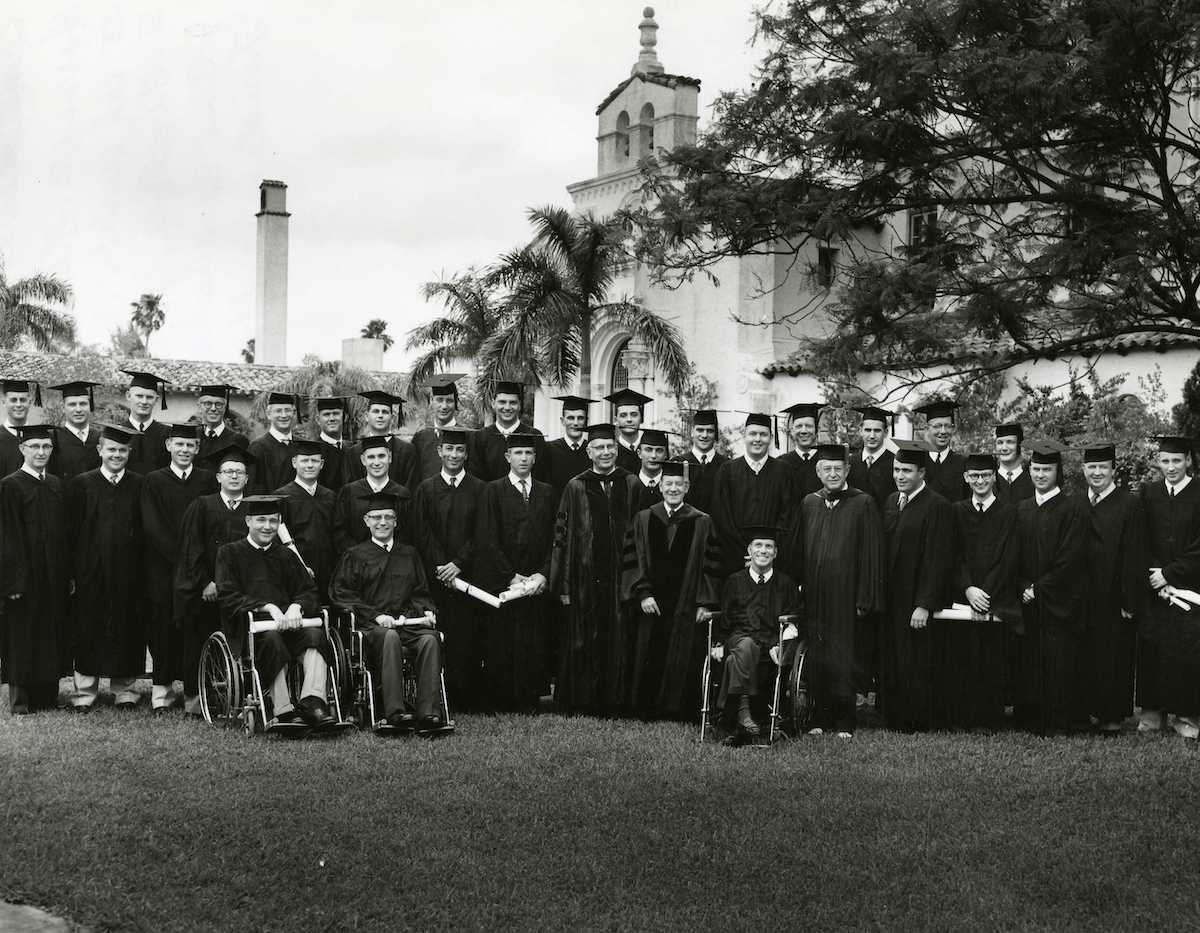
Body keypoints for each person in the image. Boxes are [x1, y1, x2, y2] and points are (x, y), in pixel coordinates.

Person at [215, 495, 336, 729]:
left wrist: (296, 606)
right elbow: (228, 595)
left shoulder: (286, 555)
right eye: (261, 520)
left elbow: (309, 591)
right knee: (272, 640)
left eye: (273, 521)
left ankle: (312, 702)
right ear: (248, 521)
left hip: (290, 626)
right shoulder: (230, 553)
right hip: (252, 629)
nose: (267, 526)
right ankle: (283, 710)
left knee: (316, 637)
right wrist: (267, 607)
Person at [331, 491, 444, 730]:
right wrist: (375, 616)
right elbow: (342, 594)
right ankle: (394, 711)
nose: (382, 522)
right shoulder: (355, 555)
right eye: (376, 517)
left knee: (430, 639)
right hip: (372, 628)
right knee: (389, 637)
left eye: (388, 517)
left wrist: (426, 611)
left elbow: (420, 592)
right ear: (366, 521)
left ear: (396, 521)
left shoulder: (410, 554)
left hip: (406, 624)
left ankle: (428, 713)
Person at [620, 460, 721, 720]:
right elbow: (633, 559)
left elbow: (711, 566)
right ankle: (646, 708)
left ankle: (679, 710)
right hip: (651, 603)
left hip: (687, 605)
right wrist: (643, 593)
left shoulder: (702, 521)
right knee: (647, 651)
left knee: (684, 652)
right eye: (669, 484)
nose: (673, 488)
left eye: (679, 484)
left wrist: (704, 602)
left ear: (686, 487)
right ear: (661, 487)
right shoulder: (644, 518)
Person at [799, 443, 883, 738]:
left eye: (838, 468)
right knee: (818, 653)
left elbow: (872, 555)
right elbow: (799, 549)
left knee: (844, 654)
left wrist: (865, 597)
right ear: (818, 471)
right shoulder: (810, 502)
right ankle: (817, 717)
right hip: (816, 593)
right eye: (827, 469)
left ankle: (845, 719)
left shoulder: (863, 503)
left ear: (848, 470)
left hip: (847, 596)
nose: (833, 473)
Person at [552, 423, 635, 715]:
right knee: (583, 638)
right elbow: (561, 538)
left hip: (620, 580)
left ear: (617, 450)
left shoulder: (631, 483)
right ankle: (583, 701)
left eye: (610, 447)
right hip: (584, 579)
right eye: (599, 447)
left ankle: (616, 702)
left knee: (619, 638)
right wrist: (562, 587)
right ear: (589, 452)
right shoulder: (575, 486)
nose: (605, 452)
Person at [474, 434, 556, 711]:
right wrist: (510, 576)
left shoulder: (547, 492)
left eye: (528, 453)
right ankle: (503, 697)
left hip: (536, 581)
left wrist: (543, 574)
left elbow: (556, 538)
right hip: (504, 581)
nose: (523, 458)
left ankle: (530, 697)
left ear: (535, 457)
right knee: (503, 639)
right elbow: (487, 538)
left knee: (533, 640)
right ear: (507, 457)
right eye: (517, 453)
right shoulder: (492, 491)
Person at [67, 424, 145, 712]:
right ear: (99, 450)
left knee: (128, 627)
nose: (117, 454)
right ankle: (84, 692)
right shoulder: (81, 484)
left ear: (129, 452)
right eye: (111, 449)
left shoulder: (139, 483)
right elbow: (70, 531)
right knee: (88, 627)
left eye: (122, 450)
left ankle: (124, 690)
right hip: (90, 571)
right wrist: (73, 573)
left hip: (128, 572)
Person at [174, 444, 255, 716]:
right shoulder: (202, 505)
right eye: (228, 471)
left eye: (239, 472)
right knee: (198, 639)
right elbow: (191, 550)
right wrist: (205, 582)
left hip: (245, 592)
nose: (234, 476)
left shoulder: (254, 509)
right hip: (208, 591)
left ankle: (243, 696)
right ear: (218, 477)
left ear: (246, 478)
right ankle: (197, 700)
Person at [1013, 440, 1088, 734]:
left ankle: (1058, 722)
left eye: (1047, 469)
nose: (1040, 475)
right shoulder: (1022, 509)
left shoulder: (1073, 509)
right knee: (1029, 661)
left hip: (1059, 602)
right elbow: (1013, 555)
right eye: (1036, 469)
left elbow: (1070, 558)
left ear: (1058, 472)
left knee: (1058, 663)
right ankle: (1029, 719)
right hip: (1027, 599)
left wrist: (1038, 589)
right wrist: (1022, 585)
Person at [880, 439, 954, 732]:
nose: (899, 475)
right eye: (896, 469)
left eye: (907, 471)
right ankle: (895, 717)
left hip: (917, 598)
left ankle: (918, 719)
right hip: (892, 597)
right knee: (895, 657)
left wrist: (924, 603)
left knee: (917, 659)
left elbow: (939, 559)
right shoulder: (891, 501)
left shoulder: (937, 506)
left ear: (922, 473)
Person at [140, 423, 215, 713]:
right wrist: (184, 559)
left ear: (197, 449)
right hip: (163, 569)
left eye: (190, 445)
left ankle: (195, 694)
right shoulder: (154, 480)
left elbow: (209, 526)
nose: (184, 450)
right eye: (179, 445)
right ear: (168, 446)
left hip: (198, 571)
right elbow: (152, 526)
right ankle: (161, 692)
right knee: (162, 628)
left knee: (194, 630)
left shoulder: (207, 480)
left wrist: (196, 566)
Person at [942, 452, 1019, 731]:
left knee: (991, 659)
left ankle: (988, 719)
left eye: (986, 475)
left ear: (994, 477)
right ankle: (962, 717)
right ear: (966, 478)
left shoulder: (1009, 511)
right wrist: (969, 589)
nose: (980, 481)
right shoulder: (956, 511)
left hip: (995, 599)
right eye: (974, 476)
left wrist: (986, 593)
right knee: (962, 657)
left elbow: (1009, 558)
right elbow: (952, 555)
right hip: (964, 599)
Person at [411, 427, 486, 710]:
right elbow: (422, 533)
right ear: (439, 451)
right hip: (436, 580)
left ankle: (467, 697)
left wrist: (458, 564)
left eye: (459, 450)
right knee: (439, 636)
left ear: (466, 454)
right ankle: (438, 697)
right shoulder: (426, 488)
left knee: (469, 638)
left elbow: (482, 533)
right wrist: (442, 566)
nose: (454, 455)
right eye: (449, 449)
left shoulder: (480, 489)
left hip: (469, 579)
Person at [0, 425, 70, 714]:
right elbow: (6, 537)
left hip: (52, 576)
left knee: (49, 632)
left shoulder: (55, 484)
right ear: (22, 449)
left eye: (46, 447)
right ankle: (20, 700)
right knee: (22, 635)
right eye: (35, 447)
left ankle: (47, 696)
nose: (41, 452)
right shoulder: (10, 485)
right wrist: (12, 582)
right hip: (24, 578)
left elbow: (64, 534)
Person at [1079, 442, 1147, 734]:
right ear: (1083, 470)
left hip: (1114, 596)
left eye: (1102, 468)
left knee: (1113, 655)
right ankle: (1085, 710)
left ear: (1113, 470)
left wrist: (1129, 600)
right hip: (1081, 596)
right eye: (1092, 467)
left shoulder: (1129, 504)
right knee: (1085, 653)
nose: (1097, 473)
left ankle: (1111, 716)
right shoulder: (1076, 503)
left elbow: (1135, 555)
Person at [711, 526, 801, 744]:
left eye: (769, 546)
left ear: (776, 553)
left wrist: (781, 644)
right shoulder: (734, 581)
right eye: (758, 546)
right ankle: (743, 713)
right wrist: (718, 643)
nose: (763, 551)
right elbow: (725, 618)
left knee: (735, 660)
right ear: (749, 551)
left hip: (770, 644)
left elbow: (793, 621)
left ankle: (731, 718)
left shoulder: (786, 584)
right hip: (738, 638)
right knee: (746, 647)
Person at [1138, 436, 1200, 738]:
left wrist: (1171, 574)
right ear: (1158, 462)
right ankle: (1152, 713)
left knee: (1186, 652)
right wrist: (1155, 577)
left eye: (1177, 460)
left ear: (1188, 460)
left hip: (1190, 590)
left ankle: (1186, 716)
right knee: (1153, 649)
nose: (1171, 467)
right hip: (1155, 589)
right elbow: (1141, 539)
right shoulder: (1149, 494)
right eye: (1165, 461)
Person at [709, 413, 798, 577]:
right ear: (744, 435)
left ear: (771, 438)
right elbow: (722, 517)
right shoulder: (727, 471)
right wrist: (747, 552)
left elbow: (788, 516)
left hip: (773, 562)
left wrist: (766, 552)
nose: (758, 439)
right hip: (735, 561)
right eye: (753, 434)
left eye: (763, 434)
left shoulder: (784, 471)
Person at [273, 439, 337, 603]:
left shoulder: (330, 496)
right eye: (305, 460)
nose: (310, 465)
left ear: (321, 464)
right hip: (295, 571)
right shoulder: (281, 496)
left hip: (329, 572)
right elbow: (277, 540)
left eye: (314, 461)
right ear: (294, 462)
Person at [334, 435, 412, 553]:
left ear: (390, 457)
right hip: (357, 563)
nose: (376, 462)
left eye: (381, 456)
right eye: (371, 457)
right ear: (363, 460)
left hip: (395, 562)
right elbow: (339, 531)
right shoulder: (349, 492)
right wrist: (358, 554)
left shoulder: (402, 494)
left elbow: (407, 533)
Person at [345, 390, 420, 491]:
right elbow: (350, 491)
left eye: (384, 412)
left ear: (392, 418)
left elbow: (411, 488)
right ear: (367, 416)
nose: (380, 415)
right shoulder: (354, 452)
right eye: (376, 411)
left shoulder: (407, 451)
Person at [472, 381, 543, 482]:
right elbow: (476, 478)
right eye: (502, 402)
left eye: (513, 402)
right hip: (488, 496)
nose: (507, 407)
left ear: (519, 405)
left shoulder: (535, 436)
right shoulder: (480, 437)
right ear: (493, 404)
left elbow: (541, 475)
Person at [412, 373, 469, 482]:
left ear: (455, 402)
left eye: (449, 400)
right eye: (439, 400)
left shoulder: (469, 437)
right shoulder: (420, 438)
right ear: (431, 400)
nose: (444, 406)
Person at [543, 395, 596, 501]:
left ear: (586, 421)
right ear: (562, 421)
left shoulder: (593, 450)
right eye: (570, 418)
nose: (575, 423)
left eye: (580, 418)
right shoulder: (549, 449)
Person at [247, 391, 303, 493]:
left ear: (294, 413)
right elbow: (253, 487)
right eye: (278, 411)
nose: (284, 415)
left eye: (287, 410)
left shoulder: (302, 445)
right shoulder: (258, 447)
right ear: (269, 414)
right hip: (270, 507)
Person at [915, 399, 968, 502]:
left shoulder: (963, 463)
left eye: (947, 426)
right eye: (937, 426)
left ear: (953, 429)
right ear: (926, 429)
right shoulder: (917, 462)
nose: (943, 431)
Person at [48, 380, 102, 481]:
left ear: (90, 406)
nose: (78, 409)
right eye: (72, 404)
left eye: (83, 404)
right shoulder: (52, 438)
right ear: (63, 408)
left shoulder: (101, 438)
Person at [121, 370, 172, 476]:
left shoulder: (168, 434)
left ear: (156, 399)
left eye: (149, 397)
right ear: (128, 396)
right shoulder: (118, 431)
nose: (144, 402)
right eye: (139, 396)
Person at [847, 406, 895, 510]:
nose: (872, 436)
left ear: (886, 432)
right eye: (868, 430)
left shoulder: (895, 463)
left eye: (877, 431)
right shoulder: (850, 463)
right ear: (860, 431)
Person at [680, 409, 727, 514]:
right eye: (700, 430)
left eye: (710, 431)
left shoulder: (727, 466)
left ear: (715, 434)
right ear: (692, 432)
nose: (705, 435)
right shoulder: (679, 463)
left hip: (717, 528)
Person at [777, 402, 824, 500]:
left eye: (808, 426)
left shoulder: (826, 460)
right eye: (799, 426)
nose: (803, 431)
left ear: (817, 429)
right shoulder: (780, 463)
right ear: (792, 430)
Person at [195, 384, 248, 462]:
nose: (213, 409)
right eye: (208, 404)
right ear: (199, 407)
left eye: (218, 404)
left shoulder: (238, 441)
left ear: (225, 407)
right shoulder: (193, 436)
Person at [605, 388, 651, 474]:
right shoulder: (610, 453)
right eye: (623, 415)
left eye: (634, 415)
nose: (629, 419)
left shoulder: (650, 451)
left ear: (641, 418)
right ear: (616, 420)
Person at [0, 378, 39, 476]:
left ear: (29, 402)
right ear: (4, 402)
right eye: (13, 400)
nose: (18, 404)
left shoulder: (41, 438)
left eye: (23, 400)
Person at [625, 427, 670, 512]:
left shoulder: (671, 487)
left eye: (659, 450)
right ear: (639, 453)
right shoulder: (628, 485)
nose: (653, 455)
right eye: (648, 450)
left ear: (665, 455)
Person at [313, 397, 351, 491]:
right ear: (318, 419)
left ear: (344, 417)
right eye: (326, 414)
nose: (332, 418)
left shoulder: (353, 449)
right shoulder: (313, 451)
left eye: (336, 413)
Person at [994, 423, 1034, 502]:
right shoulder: (987, 482)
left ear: (1020, 445)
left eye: (1010, 442)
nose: (1004, 448)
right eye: (1000, 442)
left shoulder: (1034, 482)